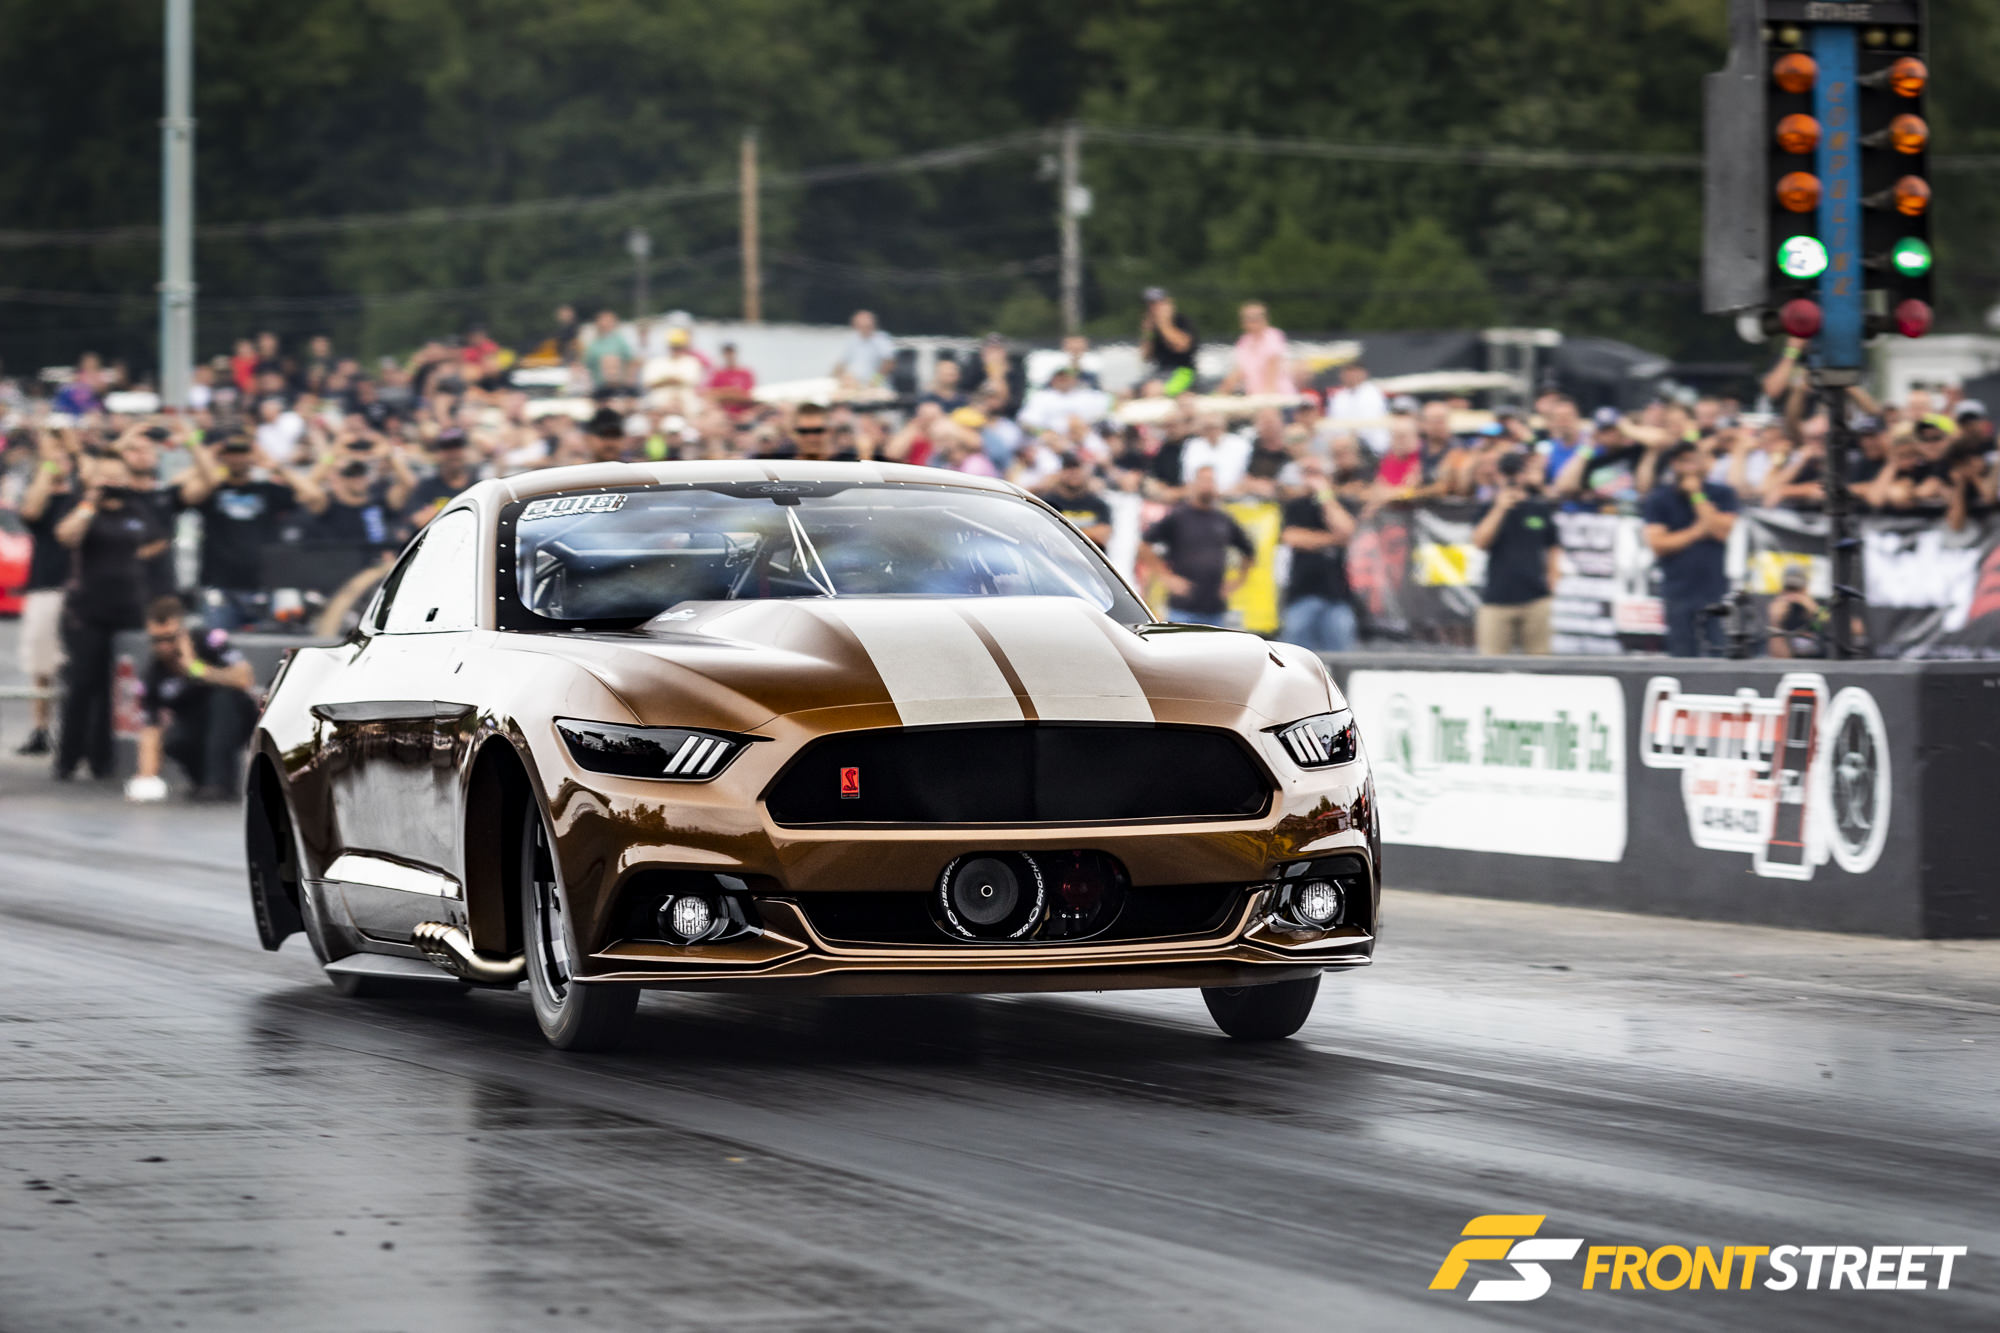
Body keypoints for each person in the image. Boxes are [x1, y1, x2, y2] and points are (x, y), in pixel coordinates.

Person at [53, 453, 170, 780]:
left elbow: (159, 539)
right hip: (87, 610)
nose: (112, 485)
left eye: (117, 478)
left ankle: (103, 760)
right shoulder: (81, 508)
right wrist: (90, 502)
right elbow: (66, 536)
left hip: (129, 610)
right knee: (82, 684)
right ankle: (67, 759)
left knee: (116, 689)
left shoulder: (137, 510)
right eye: (106, 478)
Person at [124, 596, 259, 802]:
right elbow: (151, 729)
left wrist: (196, 669)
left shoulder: (210, 641)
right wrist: (146, 777)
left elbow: (244, 678)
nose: (164, 646)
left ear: (183, 632)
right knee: (174, 739)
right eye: (156, 640)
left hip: (237, 718)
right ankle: (202, 781)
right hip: (196, 723)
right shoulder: (153, 675)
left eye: (170, 638)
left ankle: (218, 783)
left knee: (221, 702)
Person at [176, 431, 308, 628]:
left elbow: (311, 496)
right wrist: (209, 457)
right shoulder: (212, 490)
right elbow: (183, 495)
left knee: (265, 651)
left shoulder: (267, 490)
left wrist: (275, 465)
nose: (237, 458)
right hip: (218, 587)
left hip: (263, 586)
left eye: (243, 452)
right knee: (217, 649)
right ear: (222, 457)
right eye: (231, 453)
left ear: (252, 456)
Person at [14, 429, 79, 755]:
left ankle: (77, 730)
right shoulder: (42, 497)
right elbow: (30, 510)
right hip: (45, 586)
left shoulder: (82, 495)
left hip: (80, 588)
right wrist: (48, 466)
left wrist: (71, 451)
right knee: (42, 667)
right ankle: (41, 729)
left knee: (80, 665)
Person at [1642, 441, 1739, 657]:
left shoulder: (1722, 493)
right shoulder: (1659, 498)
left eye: (1693, 460)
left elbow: (1721, 531)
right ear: (1673, 465)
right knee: (1681, 651)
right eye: (1682, 461)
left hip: (1714, 587)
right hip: (1677, 589)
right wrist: (1697, 531)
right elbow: (1659, 544)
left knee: (1719, 649)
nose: (1689, 467)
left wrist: (1697, 495)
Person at [1471, 452, 1562, 655]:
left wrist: (1553, 576)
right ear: (1498, 476)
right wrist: (1500, 508)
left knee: (1540, 663)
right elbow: (1480, 542)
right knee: (1491, 665)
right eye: (1506, 473)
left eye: (1515, 472)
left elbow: (1553, 544)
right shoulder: (1487, 508)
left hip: (1535, 598)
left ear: (1524, 474)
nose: (1511, 478)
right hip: (1497, 600)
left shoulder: (1539, 508)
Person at [1140, 465, 1254, 627]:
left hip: (1215, 608)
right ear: (1193, 484)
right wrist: (1167, 577)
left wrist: (1238, 581)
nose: (1207, 485)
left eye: (1211, 481)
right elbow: (1144, 545)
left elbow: (1248, 551)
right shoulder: (1179, 516)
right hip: (1183, 607)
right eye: (1203, 480)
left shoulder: (1223, 519)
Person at [1278, 459, 1358, 653]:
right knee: (1295, 656)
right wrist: (1334, 539)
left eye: (1317, 473)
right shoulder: (1296, 505)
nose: (1312, 478)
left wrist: (1325, 496)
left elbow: (1348, 531)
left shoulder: (1342, 503)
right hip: (1302, 593)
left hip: (1337, 595)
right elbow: (1292, 537)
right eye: (1307, 473)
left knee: (1340, 657)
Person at [402, 428, 484, 527]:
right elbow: (418, 520)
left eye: (458, 447)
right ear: (437, 454)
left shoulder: (478, 487)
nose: (453, 453)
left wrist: (437, 512)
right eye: (447, 448)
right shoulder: (427, 486)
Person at [1218, 301, 1294, 398]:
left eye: (1256, 318)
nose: (1252, 322)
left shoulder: (1273, 336)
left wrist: (1269, 396)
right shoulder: (1244, 341)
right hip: (1256, 397)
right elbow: (1238, 371)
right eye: (1248, 318)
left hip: (1279, 396)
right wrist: (1220, 393)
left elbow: (1273, 366)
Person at [1040, 453, 1113, 547]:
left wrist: (1062, 533)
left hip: (1088, 560)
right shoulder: (1047, 503)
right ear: (1060, 472)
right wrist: (1089, 533)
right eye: (1068, 468)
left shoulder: (1099, 504)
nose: (1073, 472)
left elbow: (1102, 535)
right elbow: (1045, 535)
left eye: (1077, 467)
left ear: (1085, 472)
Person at [1138, 287, 1197, 394]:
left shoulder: (1181, 321)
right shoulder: (1152, 327)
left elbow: (1182, 347)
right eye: (1150, 305)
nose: (1153, 308)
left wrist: (1163, 323)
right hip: (1160, 371)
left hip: (1183, 372)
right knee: (1126, 392)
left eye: (1157, 304)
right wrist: (1148, 333)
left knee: (1153, 390)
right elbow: (1145, 357)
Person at [1326, 362, 1389, 456]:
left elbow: (1369, 423)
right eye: (1347, 372)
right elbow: (1334, 425)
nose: (1350, 375)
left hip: (1374, 446)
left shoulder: (1374, 393)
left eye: (1354, 371)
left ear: (1363, 373)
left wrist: (1354, 439)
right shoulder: (1338, 397)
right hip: (1345, 447)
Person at [1180, 412, 1252, 494]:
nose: (1211, 431)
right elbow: (1188, 478)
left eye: (1214, 427)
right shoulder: (1193, 445)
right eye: (1207, 428)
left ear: (1223, 427)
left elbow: (1247, 474)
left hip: (1234, 496)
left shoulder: (1240, 444)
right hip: (1202, 497)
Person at [1766, 565, 1826, 659]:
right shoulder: (1778, 611)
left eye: (1797, 590)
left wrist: (1815, 611)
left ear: (1806, 589)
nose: (1794, 595)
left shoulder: (1819, 607)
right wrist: (1776, 623)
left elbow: (1846, 629)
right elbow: (1779, 658)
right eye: (1790, 589)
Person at [833, 310, 896, 389]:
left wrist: (875, 381)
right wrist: (834, 379)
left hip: (876, 386)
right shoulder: (853, 340)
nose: (864, 328)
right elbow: (841, 364)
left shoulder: (881, 340)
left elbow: (889, 363)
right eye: (860, 325)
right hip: (853, 384)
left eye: (867, 326)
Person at [582, 310, 636, 388]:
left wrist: (629, 380)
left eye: (608, 321)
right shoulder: (593, 344)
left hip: (619, 385)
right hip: (599, 386)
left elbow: (631, 361)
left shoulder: (620, 341)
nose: (605, 324)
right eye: (603, 321)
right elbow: (587, 366)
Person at [705, 343, 757, 416]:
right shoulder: (718, 374)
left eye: (731, 352)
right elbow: (710, 395)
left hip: (744, 413)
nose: (729, 355)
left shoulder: (746, 373)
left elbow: (747, 396)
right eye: (727, 353)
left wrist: (724, 394)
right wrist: (734, 393)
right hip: (724, 414)